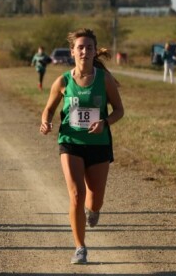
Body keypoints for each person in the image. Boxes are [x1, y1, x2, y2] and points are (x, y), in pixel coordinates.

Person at [39, 28, 124, 264]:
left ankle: (93, 210)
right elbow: (49, 108)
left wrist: (104, 123)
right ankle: (80, 247)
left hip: (99, 145)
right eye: (80, 47)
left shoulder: (104, 79)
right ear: (72, 51)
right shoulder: (63, 81)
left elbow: (119, 110)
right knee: (77, 194)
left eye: (89, 47)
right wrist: (45, 121)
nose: (84, 51)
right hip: (70, 142)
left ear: (95, 51)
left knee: (95, 200)